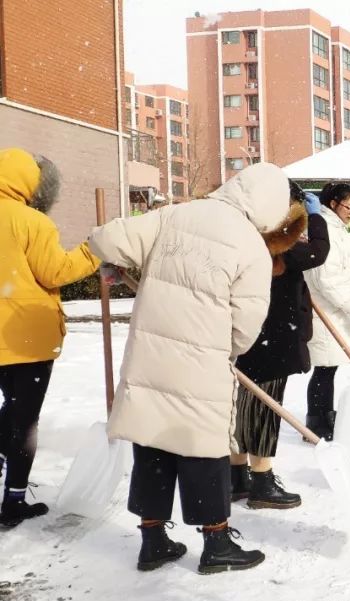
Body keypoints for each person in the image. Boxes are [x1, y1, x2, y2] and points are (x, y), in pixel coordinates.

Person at [88, 162, 290, 573]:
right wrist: (225, 349)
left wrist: (116, 263)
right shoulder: (251, 245)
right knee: (203, 447)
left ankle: (153, 540)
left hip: (150, 357)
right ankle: (216, 544)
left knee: (153, 440)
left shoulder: (175, 214)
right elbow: (246, 322)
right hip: (202, 364)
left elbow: (105, 239)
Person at [0, 148, 102, 527]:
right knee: (24, 418)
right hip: (27, 339)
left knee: (11, 408)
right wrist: (93, 250)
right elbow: (55, 271)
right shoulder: (33, 222)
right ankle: (13, 501)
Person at [230, 182, 330, 508]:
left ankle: (236, 476)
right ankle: (262, 482)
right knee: (264, 408)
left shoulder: (242, 235)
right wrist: (316, 219)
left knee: (241, 407)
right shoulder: (275, 242)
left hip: (248, 333)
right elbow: (318, 251)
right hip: (271, 337)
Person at [305, 182, 350, 441]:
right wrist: (347, 307)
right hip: (325, 311)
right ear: (332, 204)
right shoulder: (324, 227)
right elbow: (323, 278)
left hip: (336, 311)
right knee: (324, 368)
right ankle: (316, 422)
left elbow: (343, 271)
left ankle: (324, 414)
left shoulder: (339, 230)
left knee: (329, 368)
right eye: (349, 206)